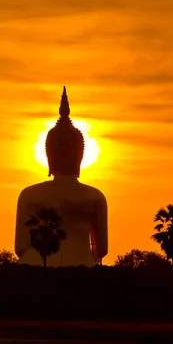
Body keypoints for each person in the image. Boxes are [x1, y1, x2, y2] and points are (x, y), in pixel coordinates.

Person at [15, 87, 108, 267]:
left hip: (31, 270)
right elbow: (101, 249)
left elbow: (20, 247)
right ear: (80, 156)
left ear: (49, 156)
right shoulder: (95, 197)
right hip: (82, 267)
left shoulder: (28, 195)